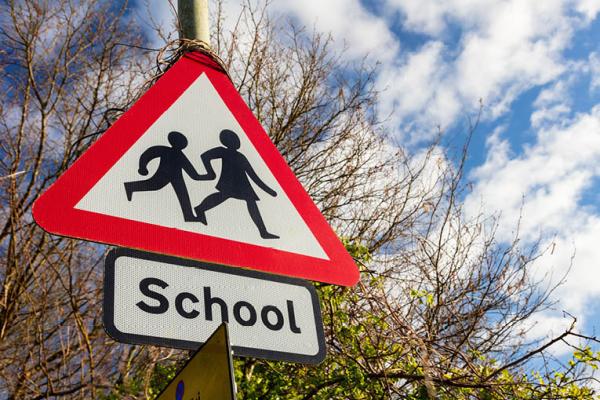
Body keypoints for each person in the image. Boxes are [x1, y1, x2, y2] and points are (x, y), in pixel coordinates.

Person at [194, 129, 279, 239]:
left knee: (249, 202)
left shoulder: (241, 156)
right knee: (222, 196)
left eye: (237, 139)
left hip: (242, 184)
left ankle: (263, 232)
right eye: (234, 139)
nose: (237, 142)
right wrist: (210, 172)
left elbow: (253, 175)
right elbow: (205, 156)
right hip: (229, 181)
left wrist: (269, 190)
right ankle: (200, 209)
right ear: (226, 141)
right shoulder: (223, 151)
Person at [124, 131, 203, 222]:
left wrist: (204, 177)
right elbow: (149, 154)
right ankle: (130, 187)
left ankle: (189, 216)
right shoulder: (166, 150)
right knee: (154, 185)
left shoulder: (180, 155)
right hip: (164, 174)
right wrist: (142, 167)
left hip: (177, 177)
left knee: (183, 195)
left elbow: (192, 173)